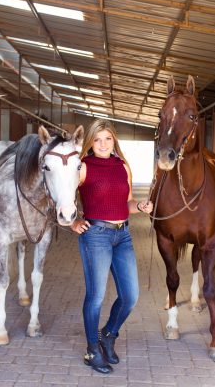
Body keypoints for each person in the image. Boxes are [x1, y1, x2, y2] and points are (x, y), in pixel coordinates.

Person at [71, 118, 153, 374]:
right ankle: (92, 350)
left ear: (114, 140)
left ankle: (108, 334)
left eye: (107, 138)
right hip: (96, 235)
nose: (103, 144)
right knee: (95, 296)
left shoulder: (122, 166)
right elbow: (59, 194)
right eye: (97, 139)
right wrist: (73, 221)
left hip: (123, 236)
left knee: (131, 295)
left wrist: (139, 207)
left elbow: (126, 202)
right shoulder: (82, 167)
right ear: (90, 142)